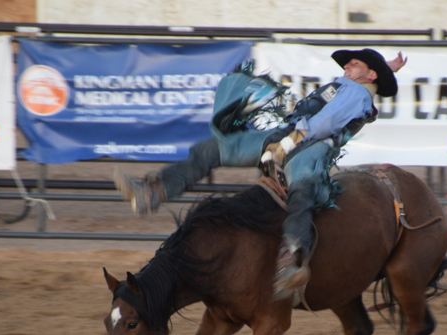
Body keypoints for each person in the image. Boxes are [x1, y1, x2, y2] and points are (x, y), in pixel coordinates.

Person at [115, 49, 407, 298]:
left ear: (370, 76)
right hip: (287, 135)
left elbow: (329, 120)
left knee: (300, 189)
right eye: (349, 63)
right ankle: (153, 191)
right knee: (215, 151)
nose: (346, 66)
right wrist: (386, 69)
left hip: (310, 145)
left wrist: (292, 139)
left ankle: (290, 261)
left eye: (354, 64)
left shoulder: (356, 92)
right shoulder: (353, 86)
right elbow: (344, 97)